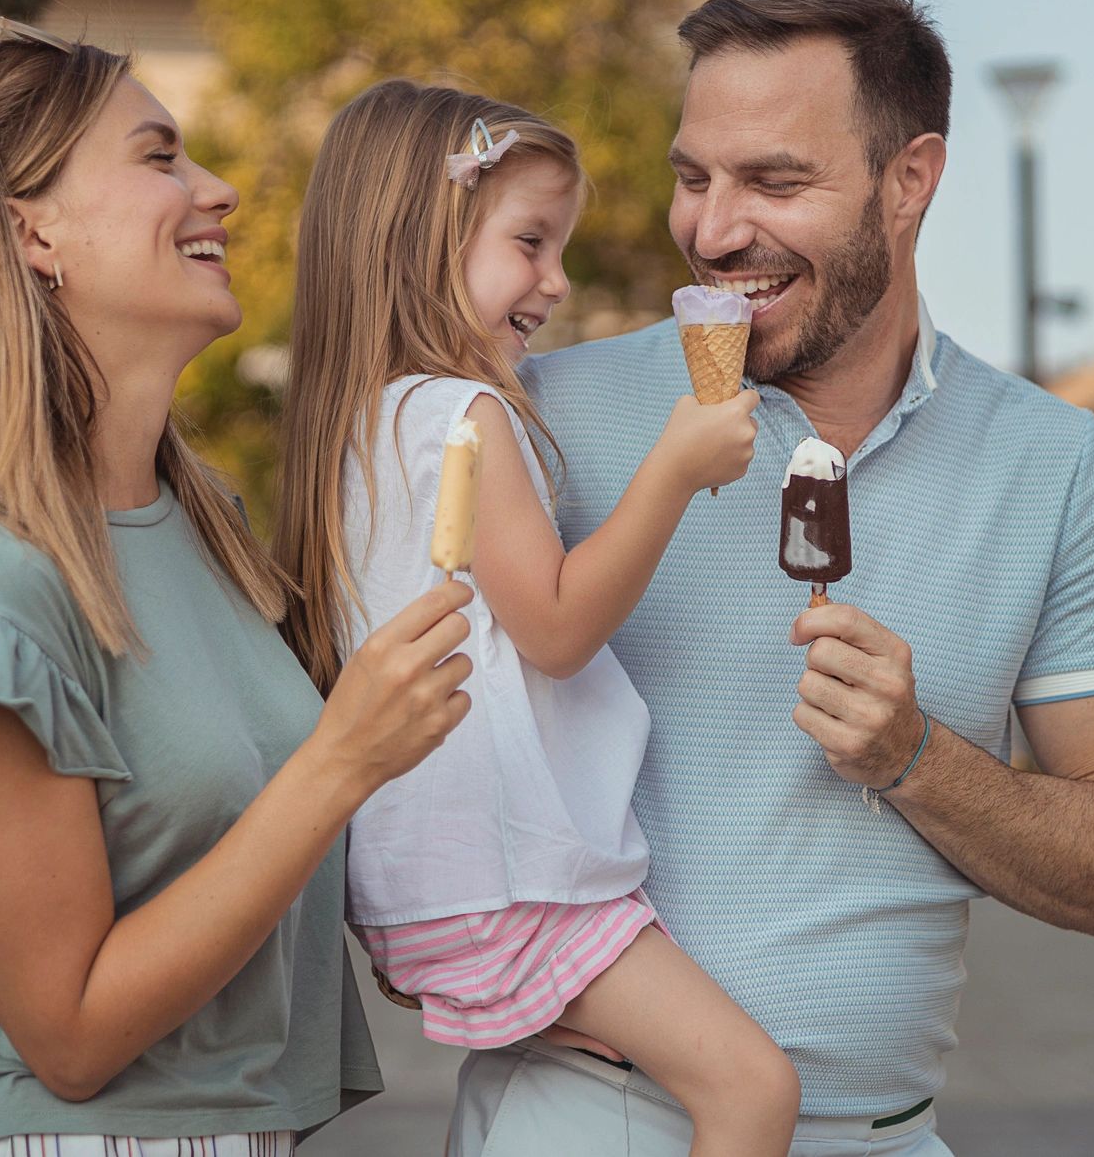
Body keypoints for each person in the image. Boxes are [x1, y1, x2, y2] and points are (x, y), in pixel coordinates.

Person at [453, 0, 1094, 1154]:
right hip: (593, 1121)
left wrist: (917, 756)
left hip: (890, 1133)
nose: (714, 228)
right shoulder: (537, 415)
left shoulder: (1056, 466)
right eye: (695, 177)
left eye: (775, 181)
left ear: (912, 182)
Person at [0, 22, 475, 1156]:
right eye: (159, 157)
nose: (216, 191)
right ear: (31, 232)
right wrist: (341, 761)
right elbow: (67, 1029)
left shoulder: (203, 523)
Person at [273, 78, 801, 1157]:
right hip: (518, 880)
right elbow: (557, 627)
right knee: (754, 1090)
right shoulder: (462, 414)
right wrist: (676, 464)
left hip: (423, 881)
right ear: (426, 240)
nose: (556, 283)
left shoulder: (359, 422)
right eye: (531, 243)